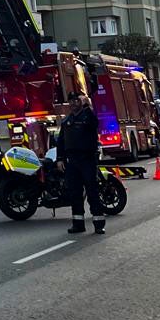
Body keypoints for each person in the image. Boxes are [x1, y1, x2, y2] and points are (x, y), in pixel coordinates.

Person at [55, 90, 105, 235]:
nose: (73, 103)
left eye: (76, 100)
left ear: (81, 102)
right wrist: (60, 159)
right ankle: (78, 224)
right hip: (72, 161)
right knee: (75, 194)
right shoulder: (66, 121)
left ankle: (98, 224)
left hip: (87, 160)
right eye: (71, 101)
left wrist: (88, 106)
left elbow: (95, 123)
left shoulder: (88, 117)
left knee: (92, 192)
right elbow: (61, 142)